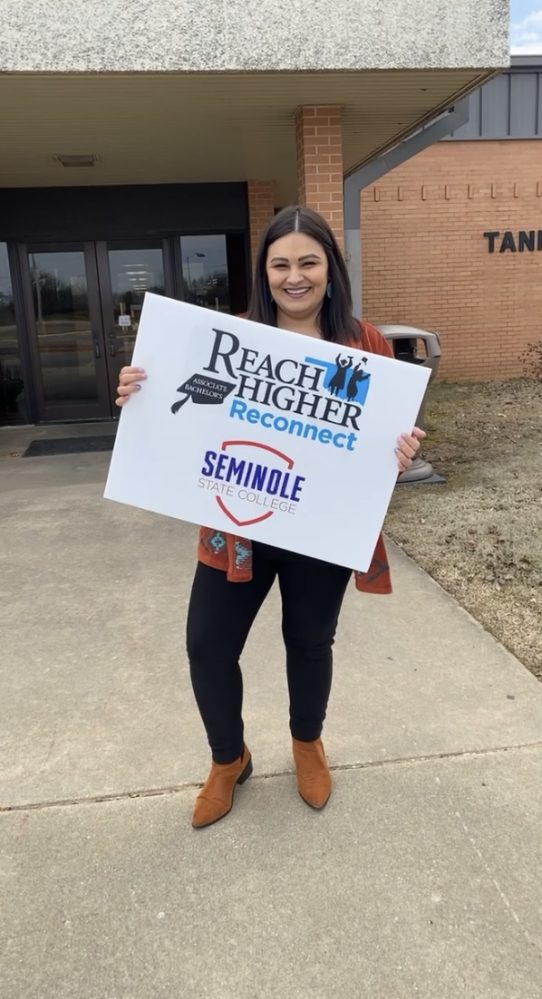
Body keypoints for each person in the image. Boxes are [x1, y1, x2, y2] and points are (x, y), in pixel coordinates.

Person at [115, 206, 425, 829]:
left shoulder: (364, 344)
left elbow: (372, 444)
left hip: (318, 533)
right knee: (207, 647)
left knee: (310, 642)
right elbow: (186, 414)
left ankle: (307, 743)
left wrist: (400, 450)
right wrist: (139, 395)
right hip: (239, 527)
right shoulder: (232, 338)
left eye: (308, 262)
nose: (294, 277)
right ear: (264, 273)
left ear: (330, 270)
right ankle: (228, 760)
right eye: (280, 264)